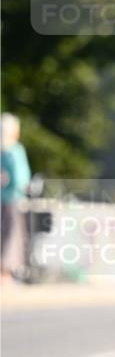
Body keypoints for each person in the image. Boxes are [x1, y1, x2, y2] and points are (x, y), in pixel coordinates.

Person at [1, 113, 32, 284]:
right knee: (12, 235)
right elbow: (22, 179)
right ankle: (5, 273)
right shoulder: (15, 151)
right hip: (13, 199)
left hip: (5, 199)